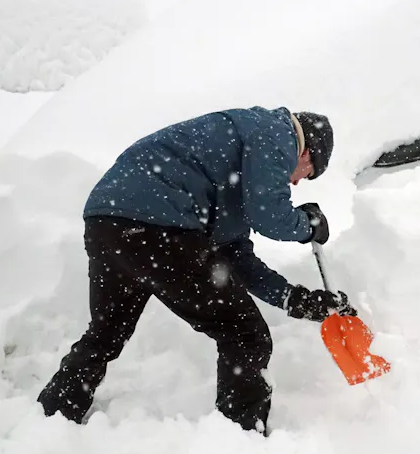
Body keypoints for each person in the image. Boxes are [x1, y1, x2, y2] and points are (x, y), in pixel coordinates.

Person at [36, 106, 357, 435]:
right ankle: (240, 437)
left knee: (106, 334)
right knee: (245, 334)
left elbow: (236, 259)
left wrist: (295, 298)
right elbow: (269, 215)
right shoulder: (276, 133)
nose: (298, 182)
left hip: (109, 223)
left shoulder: (233, 166)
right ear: (305, 151)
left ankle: (51, 417)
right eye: (308, 172)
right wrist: (308, 225)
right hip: (160, 226)